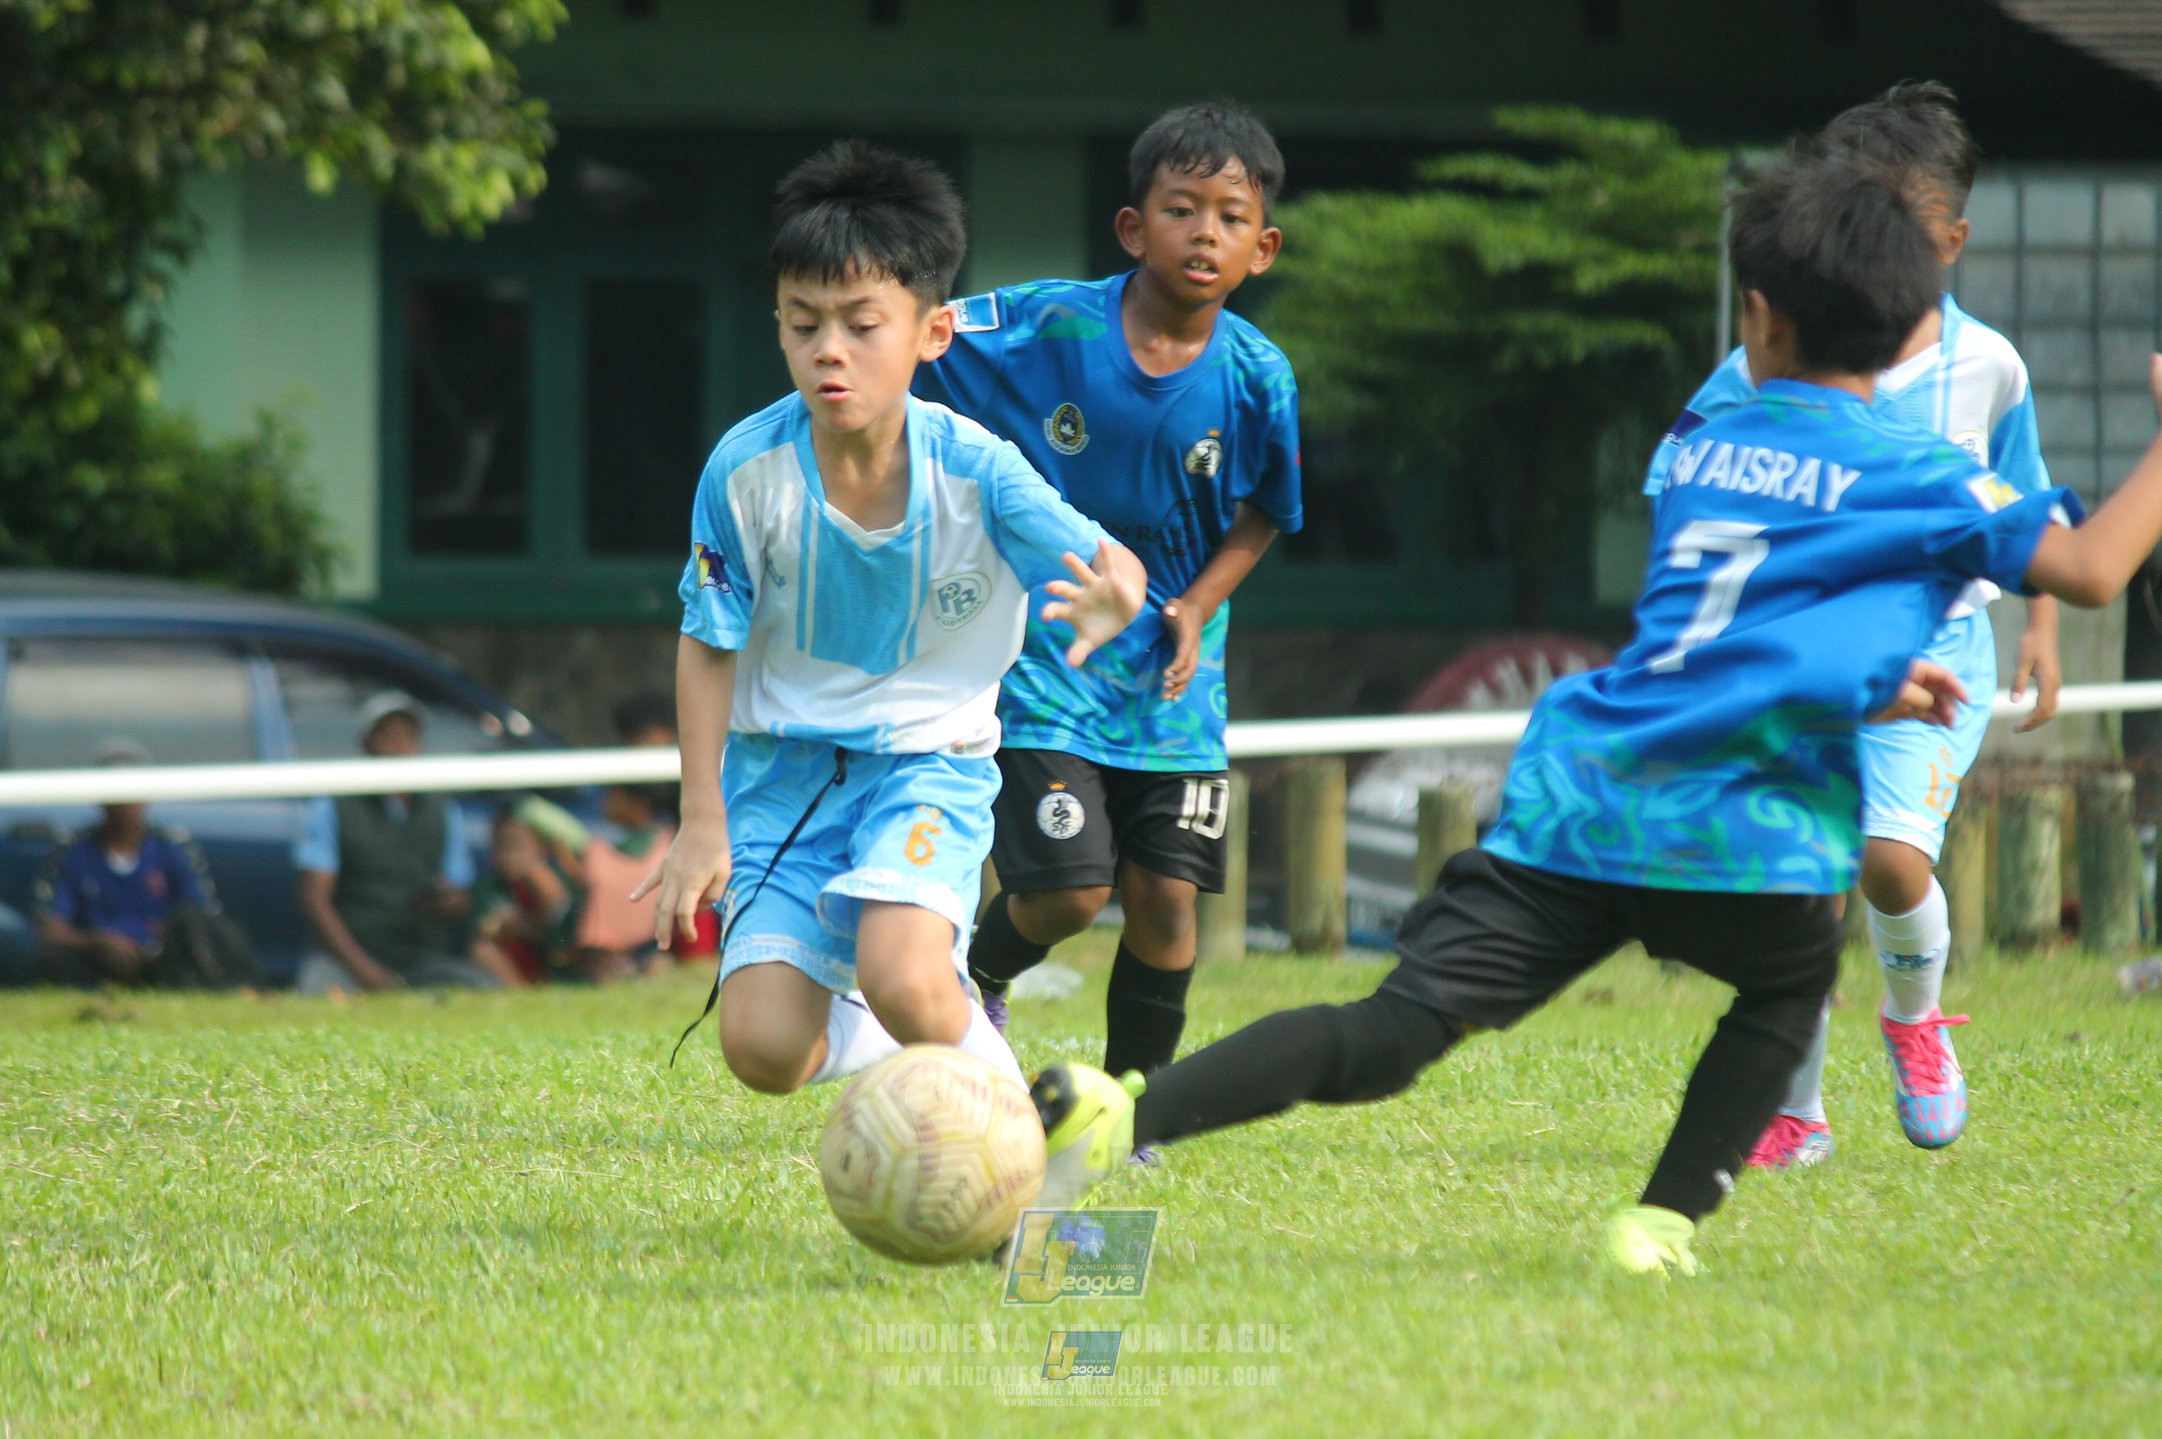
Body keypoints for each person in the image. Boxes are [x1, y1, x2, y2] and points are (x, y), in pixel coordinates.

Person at [1030, 153, 2162, 1275]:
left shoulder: (1703, 444)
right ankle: (1659, 1221)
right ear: (1919, 327)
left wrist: (1863, 674)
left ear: (1756, 318)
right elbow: (2091, 569)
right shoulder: (1924, 475)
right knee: (1785, 981)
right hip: (1738, 832)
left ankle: (1123, 1114)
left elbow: (1735, 603)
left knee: (1392, 1027)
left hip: (1581, 798)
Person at [636, 142, 1146, 1106]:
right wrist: (701, 817)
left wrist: (1116, 591)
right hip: (781, 776)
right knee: (762, 1051)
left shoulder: (979, 469)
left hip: (929, 759)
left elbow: (1110, 562)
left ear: (932, 331)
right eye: (804, 323)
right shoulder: (744, 473)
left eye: (862, 324)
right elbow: (708, 642)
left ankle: (1042, 1162)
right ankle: (883, 1025)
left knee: (906, 968)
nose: (830, 348)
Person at [1643, 83, 2055, 1168]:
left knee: (1882, 858)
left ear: (1949, 241)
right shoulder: (1761, 362)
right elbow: (1677, 473)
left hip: (1940, 655)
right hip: (1803, 656)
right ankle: (1794, 1107)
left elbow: (2028, 508)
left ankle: (1913, 1019)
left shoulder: (1989, 367)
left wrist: (2041, 631)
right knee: (1793, 879)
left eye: (1897, 229)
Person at [914, 102, 1301, 1112]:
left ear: (1260, 248)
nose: (1203, 233)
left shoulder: (1259, 378)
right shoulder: (1050, 323)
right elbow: (922, 337)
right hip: (1051, 661)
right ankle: (981, 975)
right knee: (1068, 891)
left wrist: (1196, 605)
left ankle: (1135, 1109)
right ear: (1134, 228)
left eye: (1228, 216)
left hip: (1176, 684)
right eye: (1181, 209)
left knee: (1165, 900)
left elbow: (1264, 510)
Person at [293, 691, 501, 994]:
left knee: (484, 991)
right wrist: (364, 970)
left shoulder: (441, 809)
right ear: (366, 744)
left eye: (408, 738)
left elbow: (461, 897)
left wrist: (449, 901)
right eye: (388, 737)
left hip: (421, 960)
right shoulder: (333, 806)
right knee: (317, 994)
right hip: (346, 960)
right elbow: (314, 899)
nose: (399, 748)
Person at [32, 737, 218, 988]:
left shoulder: (172, 847)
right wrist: (99, 943)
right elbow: (51, 928)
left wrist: (158, 945)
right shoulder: (73, 851)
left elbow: (200, 919)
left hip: (162, 961)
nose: (123, 802)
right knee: (51, 961)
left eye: (130, 789)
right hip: (95, 961)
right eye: (115, 790)